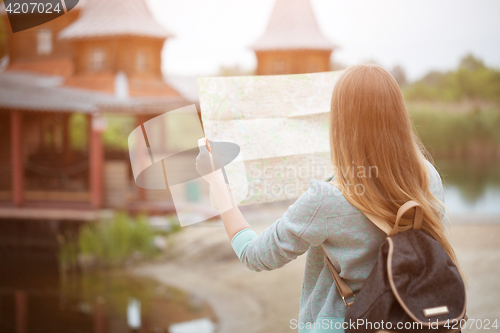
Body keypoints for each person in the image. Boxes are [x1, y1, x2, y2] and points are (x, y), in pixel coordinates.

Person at [196, 64, 461, 332]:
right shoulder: (428, 178)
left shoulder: (327, 200)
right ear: (398, 115)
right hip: (413, 318)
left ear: (341, 121)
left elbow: (254, 254)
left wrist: (218, 182)